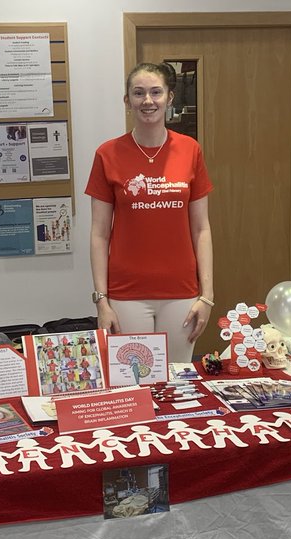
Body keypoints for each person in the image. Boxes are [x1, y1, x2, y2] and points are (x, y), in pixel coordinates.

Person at [86, 62, 214, 363]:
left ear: (170, 98)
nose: (148, 101)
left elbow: (202, 229)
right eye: (139, 93)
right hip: (126, 294)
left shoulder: (190, 150)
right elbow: (99, 234)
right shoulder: (107, 154)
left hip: (181, 293)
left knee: (178, 385)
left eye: (156, 92)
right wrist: (101, 301)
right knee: (132, 386)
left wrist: (207, 295)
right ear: (127, 100)